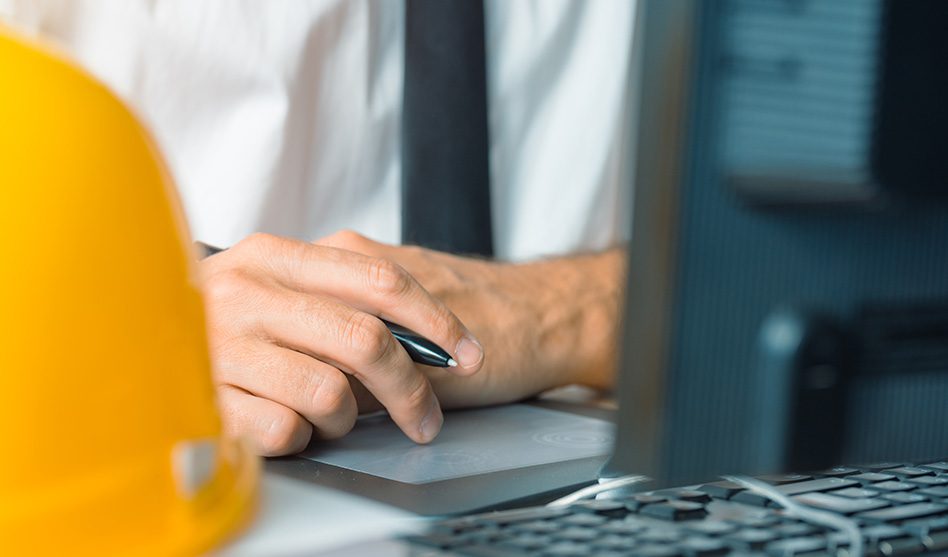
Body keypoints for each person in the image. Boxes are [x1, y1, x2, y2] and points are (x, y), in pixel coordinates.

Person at [1, 0, 636, 455]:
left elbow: (736, 261)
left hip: (598, 440)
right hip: (171, 466)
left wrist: (563, 310)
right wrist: (120, 327)